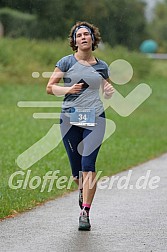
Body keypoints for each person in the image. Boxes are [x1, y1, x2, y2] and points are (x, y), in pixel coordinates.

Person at [46, 21, 114, 231]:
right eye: (79, 35)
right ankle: (83, 189)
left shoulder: (101, 66)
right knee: (77, 173)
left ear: (93, 40)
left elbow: (106, 87)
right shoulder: (66, 62)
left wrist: (109, 90)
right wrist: (68, 90)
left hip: (95, 119)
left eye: (87, 34)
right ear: (74, 41)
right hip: (70, 120)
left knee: (88, 165)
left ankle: (85, 212)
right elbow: (50, 88)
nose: (83, 37)